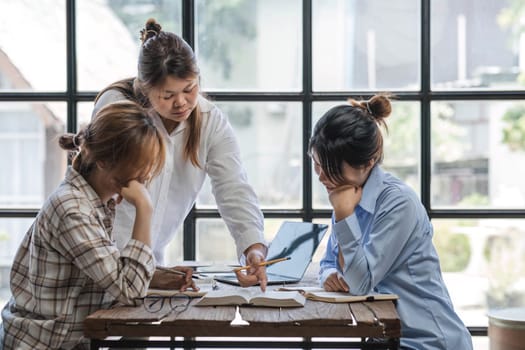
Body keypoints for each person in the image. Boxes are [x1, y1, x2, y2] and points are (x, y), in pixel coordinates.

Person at [93, 18, 268, 290]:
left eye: (189, 89)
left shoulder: (210, 120)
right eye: (167, 95)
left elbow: (233, 186)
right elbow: (95, 188)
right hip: (100, 256)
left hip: (150, 264)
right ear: (144, 88)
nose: (181, 102)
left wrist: (252, 248)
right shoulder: (117, 109)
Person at [0, 101, 176, 350]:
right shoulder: (73, 208)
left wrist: (159, 278)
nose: (146, 175)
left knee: (138, 337)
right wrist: (145, 210)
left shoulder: (94, 203)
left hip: (71, 342)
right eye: (141, 165)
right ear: (104, 161)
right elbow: (130, 291)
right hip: (42, 345)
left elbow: (108, 273)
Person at [309, 94, 473, 349]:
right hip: (384, 338)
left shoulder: (397, 203)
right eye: (317, 164)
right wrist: (329, 273)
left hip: (426, 341)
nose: (321, 176)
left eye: (331, 167)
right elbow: (330, 260)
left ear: (369, 162)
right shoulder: (347, 193)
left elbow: (359, 285)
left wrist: (343, 215)